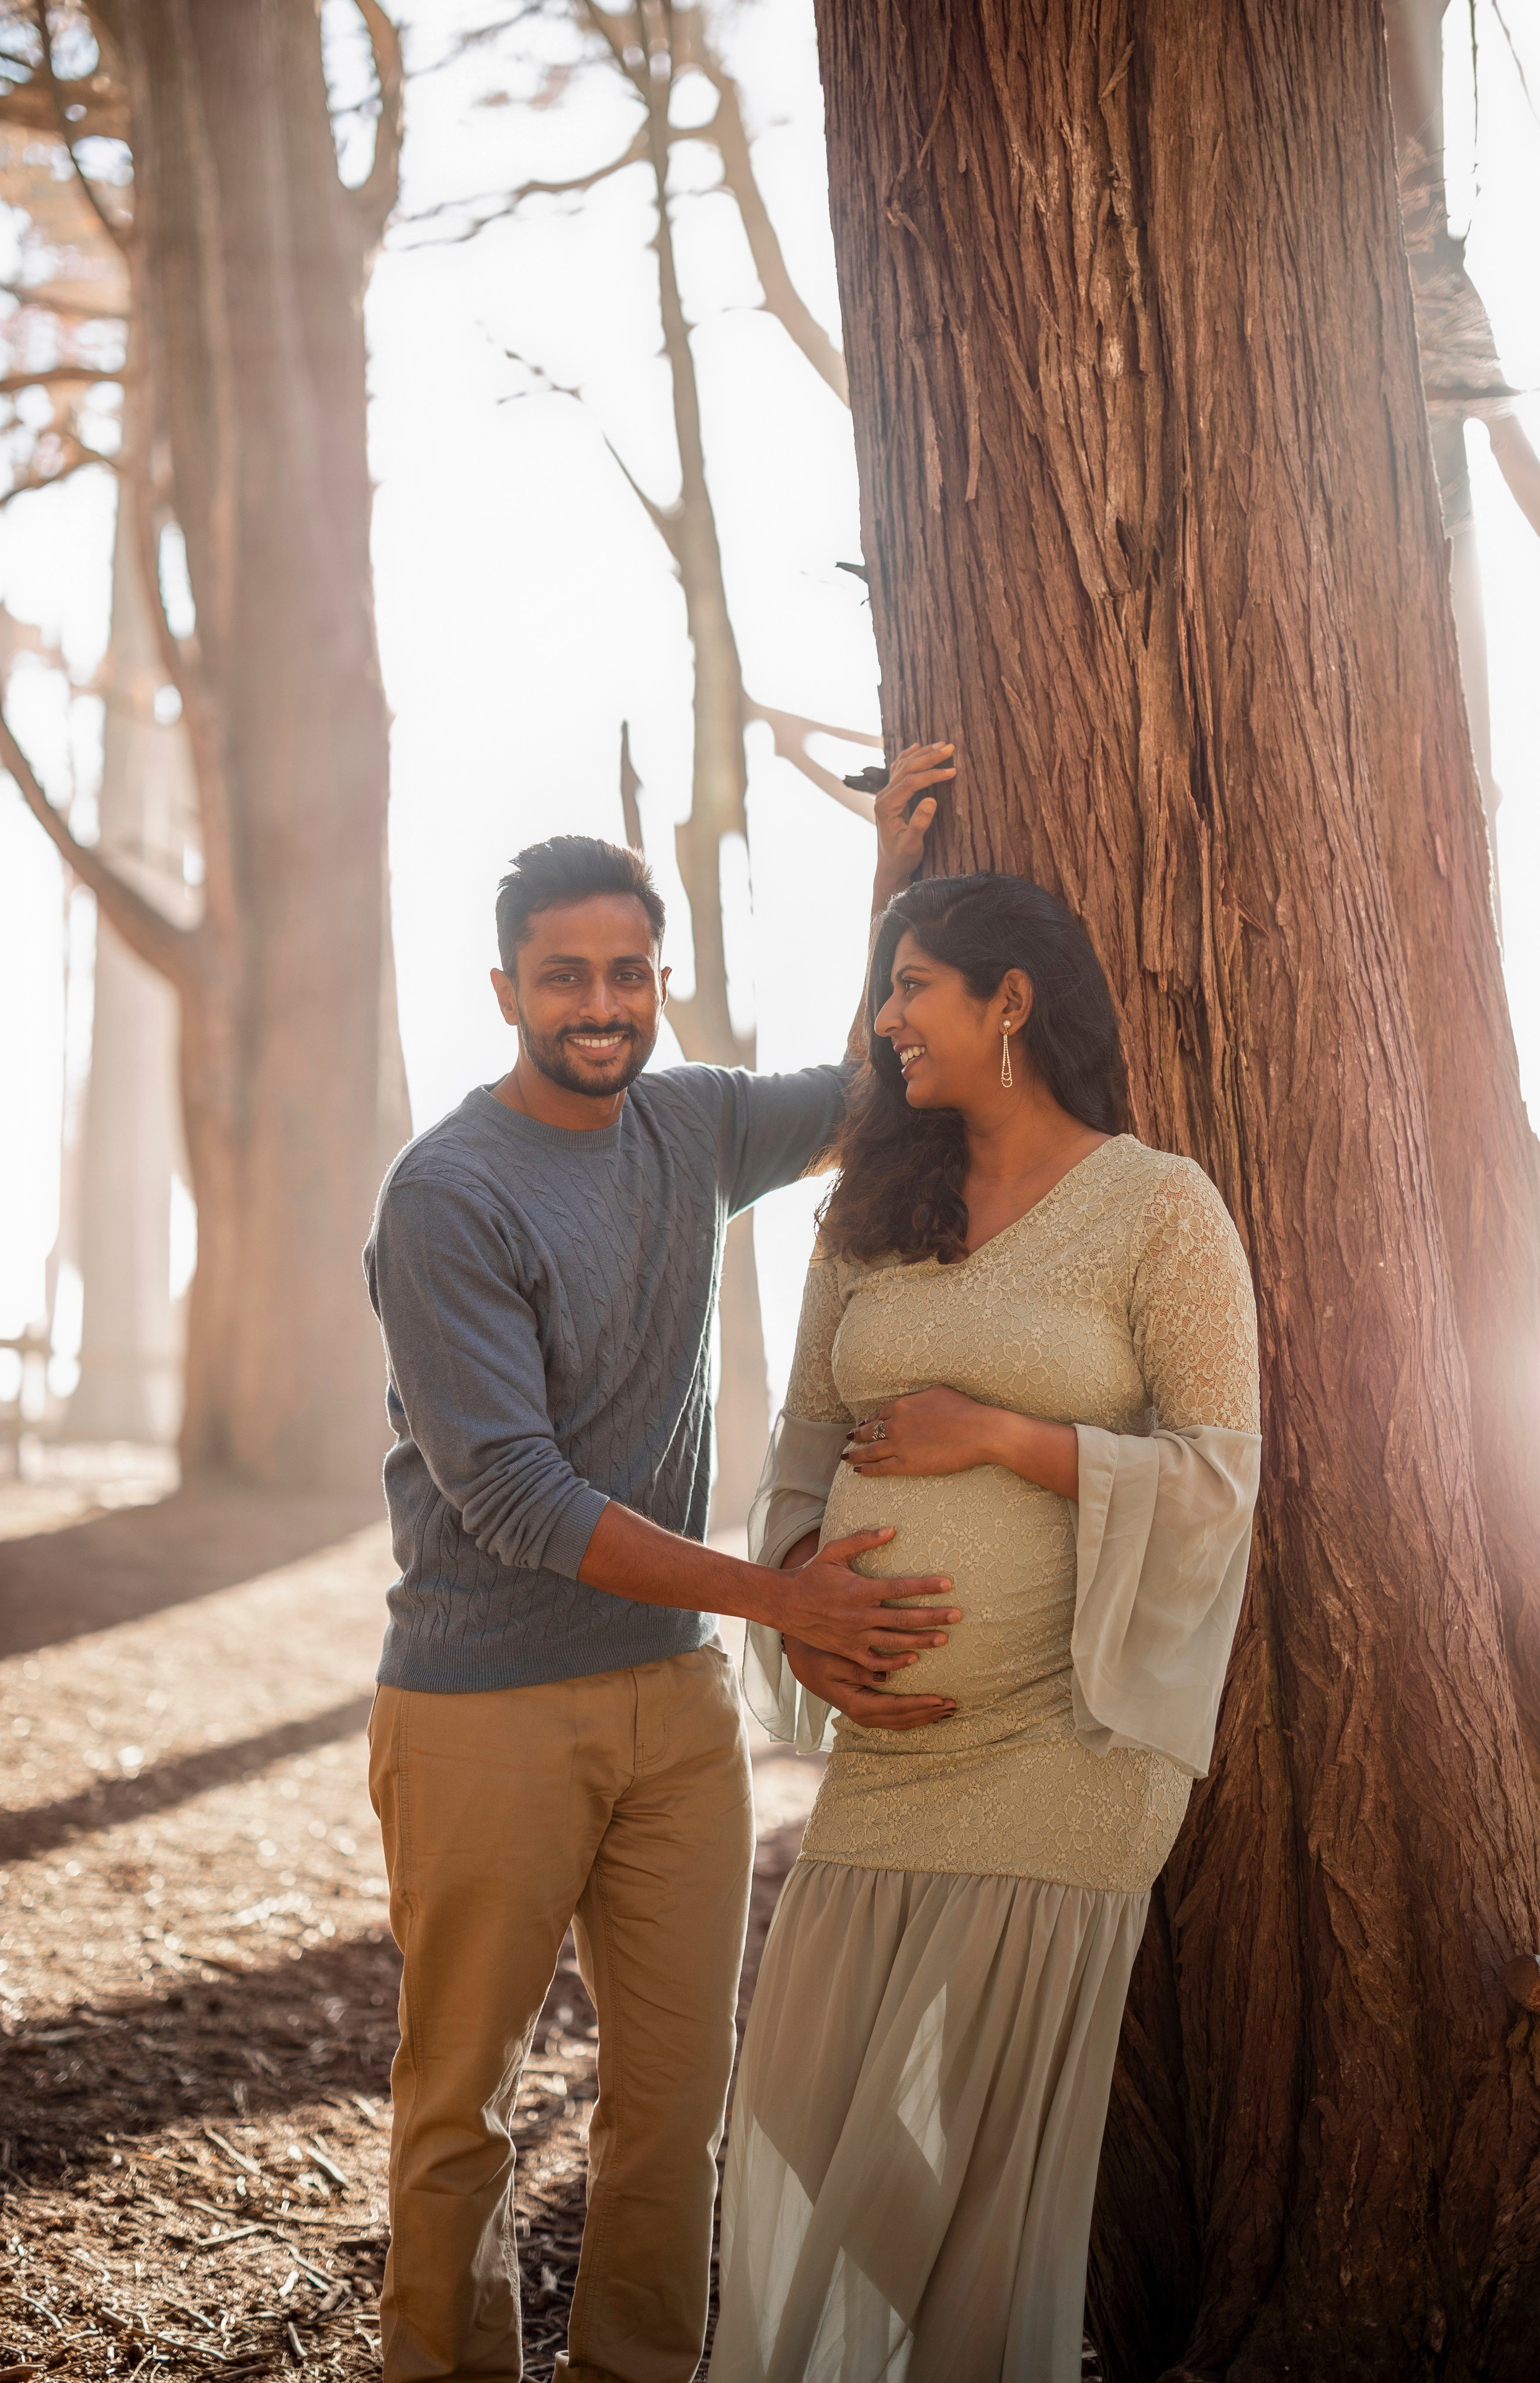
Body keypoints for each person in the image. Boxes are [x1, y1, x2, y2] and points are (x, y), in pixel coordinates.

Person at [360, 748, 962, 2383]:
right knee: (459, 2116)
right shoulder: (446, 1197)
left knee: (674, 2110)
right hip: (484, 1709)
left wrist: (890, 886)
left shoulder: (687, 1126)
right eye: (567, 975)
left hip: (671, 1712)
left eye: (629, 971)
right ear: (506, 989)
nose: (602, 1002)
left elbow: (871, 1098)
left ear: (660, 980)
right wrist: (784, 1601)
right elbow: (519, 1500)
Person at [710, 871, 1262, 2383]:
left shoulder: (1160, 1206)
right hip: (889, 1756)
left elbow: (1221, 1475)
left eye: (910, 986)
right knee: (802, 2100)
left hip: (1064, 1746)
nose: (882, 1020)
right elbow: (801, 1450)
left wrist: (1004, 1439)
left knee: (974, 2165)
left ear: (1006, 1000)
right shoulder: (869, 1213)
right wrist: (806, 1604)